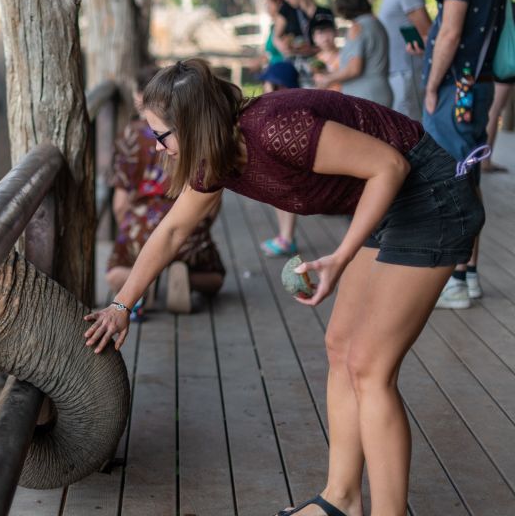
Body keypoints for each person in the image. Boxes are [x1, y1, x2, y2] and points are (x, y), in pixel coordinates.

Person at [84, 58, 484, 516]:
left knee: (370, 368)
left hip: (430, 196)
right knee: (339, 347)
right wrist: (120, 304)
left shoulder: (274, 130)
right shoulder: (215, 157)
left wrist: (341, 256)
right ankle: (342, 499)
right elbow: (172, 231)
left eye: (162, 135)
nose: (157, 148)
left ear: (193, 125)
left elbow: (389, 166)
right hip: (394, 201)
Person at [421, 0, 507, 309]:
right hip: (483, 83)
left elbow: (452, 30)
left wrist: (433, 83)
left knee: (448, 177)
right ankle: (469, 273)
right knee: (468, 175)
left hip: (456, 89)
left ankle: (453, 279)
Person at [106, 72, 226, 316]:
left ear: (141, 97)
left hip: (141, 226)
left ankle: (145, 279)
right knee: (216, 278)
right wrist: (201, 226)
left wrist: (129, 231)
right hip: (187, 221)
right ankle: (185, 278)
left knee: (113, 273)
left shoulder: (130, 134)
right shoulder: (191, 135)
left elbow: (119, 204)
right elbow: (212, 203)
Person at [364, 0, 433, 120]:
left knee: (412, 127)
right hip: (396, 72)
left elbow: (427, 29)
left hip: (407, 72)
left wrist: (422, 48)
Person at [314, 0, 393, 107]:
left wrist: (327, 79)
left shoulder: (357, 28)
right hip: (382, 91)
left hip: (366, 96)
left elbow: (354, 69)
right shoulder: (377, 24)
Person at [257, 61, 301, 257]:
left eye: (267, 82)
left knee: (287, 197)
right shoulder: (274, 103)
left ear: (279, 85)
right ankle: (284, 236)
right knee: (277, 197)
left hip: (289, 162)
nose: (264, 87)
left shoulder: (291, 105)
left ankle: (288, 238)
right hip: (276, 160)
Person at [277, 0, 335, 86]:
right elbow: (276, 37)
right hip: (292, 68)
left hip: (317, 68)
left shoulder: (324, 13)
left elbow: (331, 45)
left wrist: (311, 50)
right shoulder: (287, 10)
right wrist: (286, 47)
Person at [309, 15, 341, 92]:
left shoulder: (345, 55)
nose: (325, 37)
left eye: (328, 31)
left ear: (336, 33)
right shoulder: (315, 61)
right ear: (314, 38)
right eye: (320, 33)